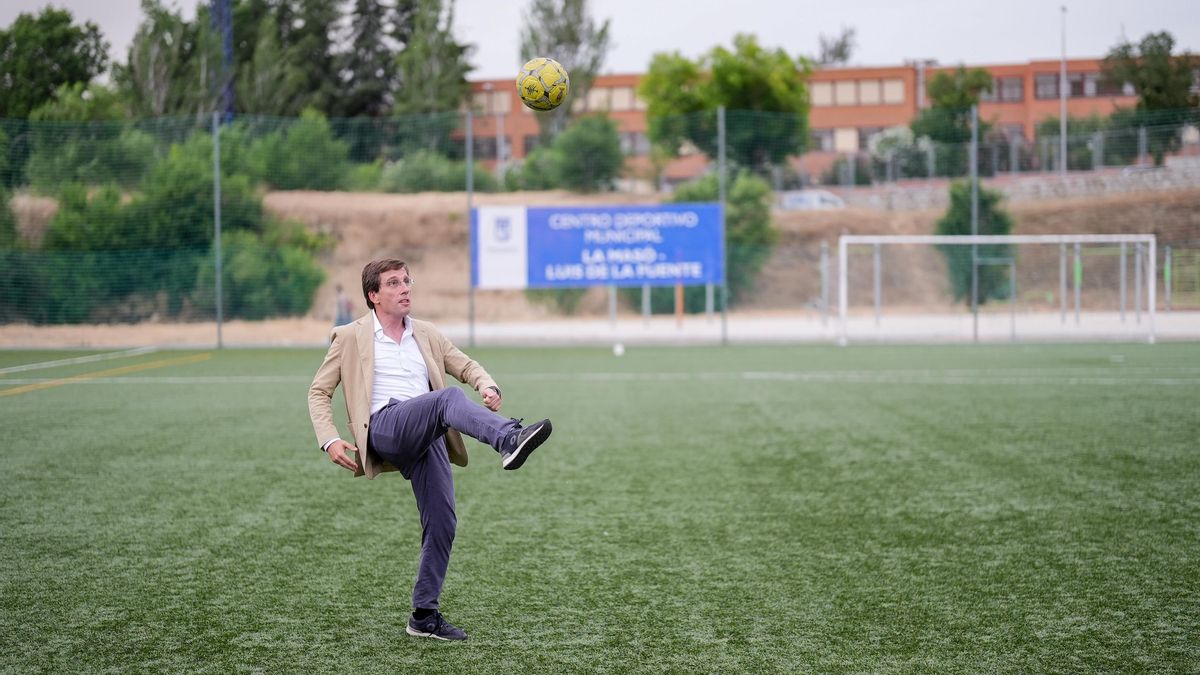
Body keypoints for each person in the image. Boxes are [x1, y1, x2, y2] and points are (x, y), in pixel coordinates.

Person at [308, 258, 553, 642]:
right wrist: (330, 438)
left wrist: (487, 385)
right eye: (393, 283)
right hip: (386, 426)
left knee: (443, 521)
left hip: (428, 431)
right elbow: (319, 391)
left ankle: (424, 614)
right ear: (373, 295)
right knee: (446, 399)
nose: (405, 288)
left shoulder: (427, 333)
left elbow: (464, 364)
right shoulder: (350, 336)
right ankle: (508, 439)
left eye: (407, 281)